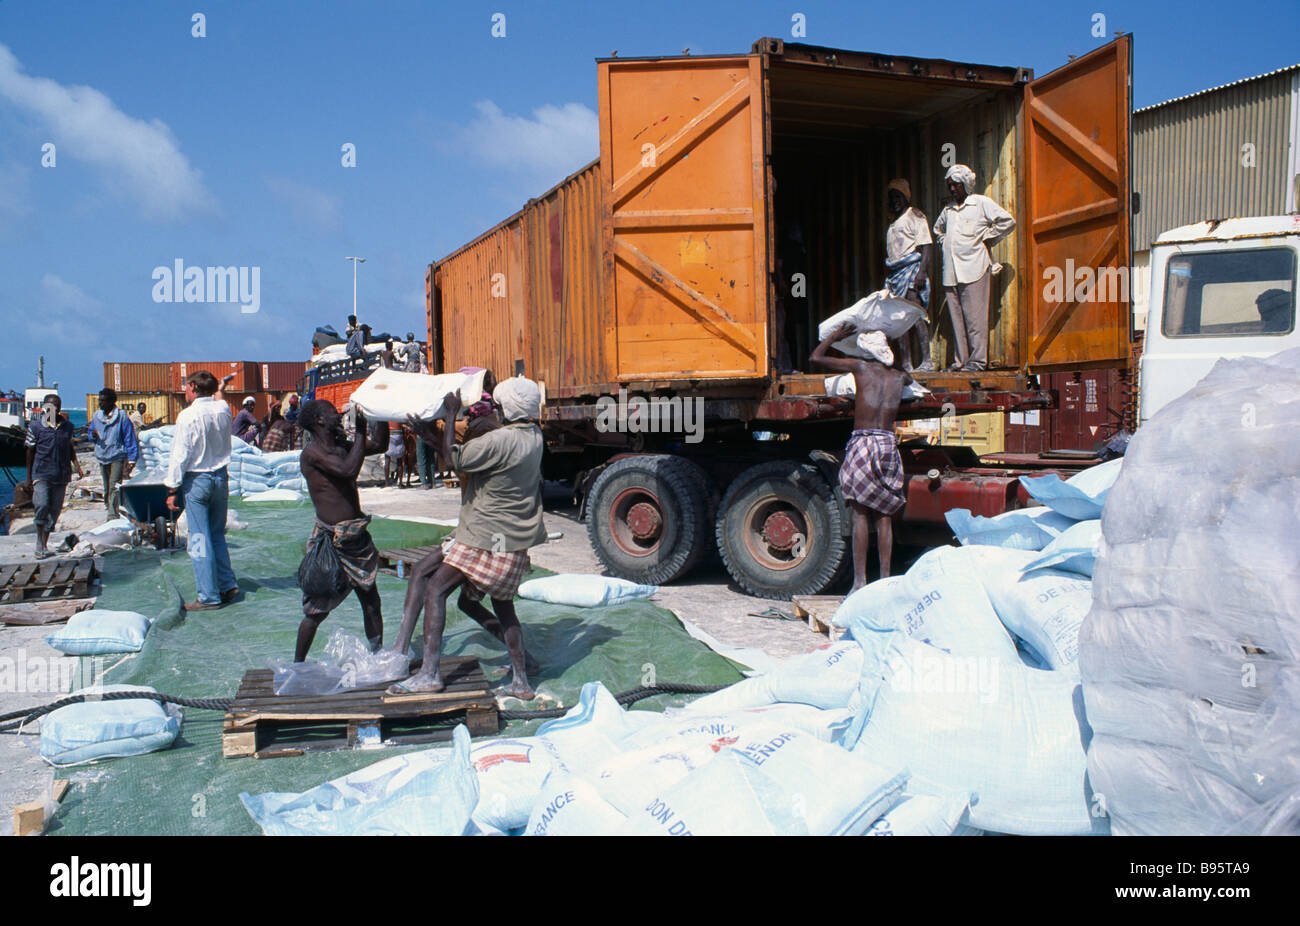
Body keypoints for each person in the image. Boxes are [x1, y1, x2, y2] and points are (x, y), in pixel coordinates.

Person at [389, 376, 548, 698]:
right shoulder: (533, 436)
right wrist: (433, 436)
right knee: (503, 607)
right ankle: (521, 680)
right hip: (511, 541)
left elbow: (455, 459)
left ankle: (429, 675)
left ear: (504, 410)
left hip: (484, 537)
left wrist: (449, 415)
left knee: (435, 589)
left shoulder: (499, 440)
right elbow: (464, 456)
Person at [811, 324, 909, 591]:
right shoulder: (900, 376)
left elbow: (816, 358)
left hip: (864, 442)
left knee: (860, 513)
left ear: (866, 351)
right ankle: (886, 578)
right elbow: (910, 381)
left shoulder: (861, 368)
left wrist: (833, 337)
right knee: (885, 513)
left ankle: (859, 581)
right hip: (888, 443)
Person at [295, 400, 388, 660]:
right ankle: (298, 665)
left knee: (371, 603)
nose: (338, 414)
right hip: (332, 540)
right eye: (331, 411)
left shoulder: (341, 446)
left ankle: (377, 656)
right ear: (320, 421)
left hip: (356, 537)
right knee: (316, 610)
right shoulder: (312, 454)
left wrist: (380, 411)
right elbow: (348, 471)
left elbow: (380, 445)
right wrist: (359, 431)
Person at [166, 371, 240, 610]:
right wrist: (221, 386)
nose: (185, 391)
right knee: (217, 534)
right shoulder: (223, 410)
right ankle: (227, 584)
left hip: (197, 480)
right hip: (220, 477)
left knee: (199, 539)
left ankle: (208, 596)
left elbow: (181, 455)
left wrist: (171, 488)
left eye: (187, 387)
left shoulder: (187, 416)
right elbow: (219, 398)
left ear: (194, 387)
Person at [932, 164, 1016, 372]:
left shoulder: (980, 203)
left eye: (956, 185)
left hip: (974, 267)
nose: (952, 189)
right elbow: (937, 229)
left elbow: (1007, 221)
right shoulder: (948, 210)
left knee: (975, 319)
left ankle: (978, 361)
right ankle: (961, 361)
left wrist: (986, 237)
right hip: (951, 272)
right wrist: (944, 241)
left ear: (966, 185)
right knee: (957, 320)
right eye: (949, 185)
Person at [883, 179, 935, 372]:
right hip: (895, 275)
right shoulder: (893, 222)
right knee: (898, 319)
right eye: (892, 197)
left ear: (905, 197)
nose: (895, 201)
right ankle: (906, 363)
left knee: (915, 315)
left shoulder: (914, 215)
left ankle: (927, 360)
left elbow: (926, 245)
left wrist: (921, 273)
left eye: (898, 196)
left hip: (911, 271)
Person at [24, 394, 84, 558]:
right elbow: (30, 451)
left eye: (57, 406)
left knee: (55, 511)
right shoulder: (36, 427)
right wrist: (29, 478)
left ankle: (44, 541)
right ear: (45, 408)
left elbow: (70, 448)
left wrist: (77, 467)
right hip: (41, 473)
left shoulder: (67, 427)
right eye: (50, 406)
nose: (54, 409)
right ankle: (39, 541)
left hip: (61, 474)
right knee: (42, 505)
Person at [88, 388, 139, 520]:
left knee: (114, 486)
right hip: (102, 455)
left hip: (117, 455)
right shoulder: (97, 416)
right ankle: (108, 506)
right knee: (106, 487)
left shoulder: (121, 417)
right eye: (100, 401)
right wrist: (92, 435)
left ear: (112, 402)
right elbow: (91, 432)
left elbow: (129, 437)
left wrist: (132, 458)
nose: (101, 403)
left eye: (103, 401)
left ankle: (112, 514)